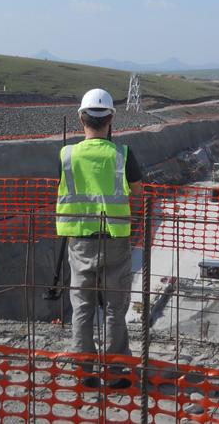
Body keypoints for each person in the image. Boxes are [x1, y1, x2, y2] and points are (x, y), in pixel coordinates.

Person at [56, 88, 143, 389]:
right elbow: (139, 193)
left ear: (81, 117)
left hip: (79, 240)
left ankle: (84, 372)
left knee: (82, 305)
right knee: (115, 308)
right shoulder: (123, 154)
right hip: (116, 240)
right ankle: (118, 373)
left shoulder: (67, 154)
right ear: (110, 120)